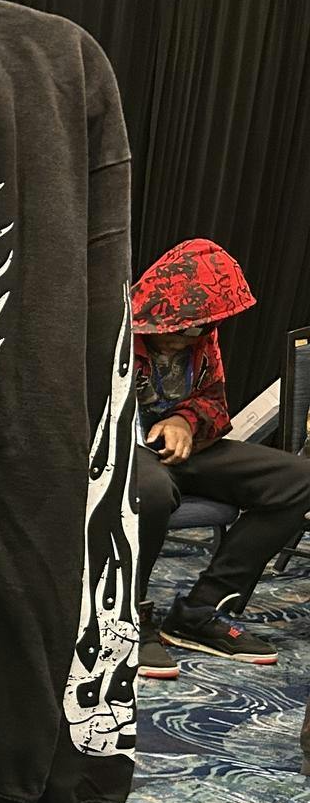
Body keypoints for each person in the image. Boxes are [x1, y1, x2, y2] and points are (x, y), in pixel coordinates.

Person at [133, 239, 310, 677]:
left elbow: (214, 403)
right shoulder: (109, 333)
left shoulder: (199, 337)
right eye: (181, 327)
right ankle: (129, 619)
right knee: (150, 491)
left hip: (187, 450)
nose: (186, 337)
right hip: (123, 452)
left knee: (298, 478)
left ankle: (201, 610)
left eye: (199, 328)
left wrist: (184, 422)